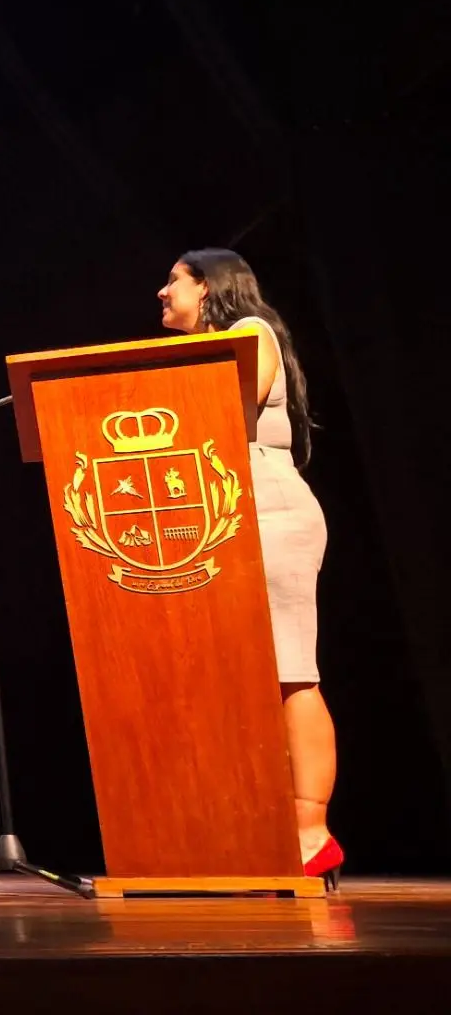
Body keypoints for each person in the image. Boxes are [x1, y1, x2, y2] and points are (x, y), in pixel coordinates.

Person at [158, 248, 342, 888]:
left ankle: (310, 830)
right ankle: (253, 827)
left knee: (291, 671)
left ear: (208, 287)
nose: (162, 292)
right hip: (223, 520)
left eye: (174, 281)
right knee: (240, 680)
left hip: (271, 515)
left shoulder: (250, 330)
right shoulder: (203, 348)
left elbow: (234, 399)